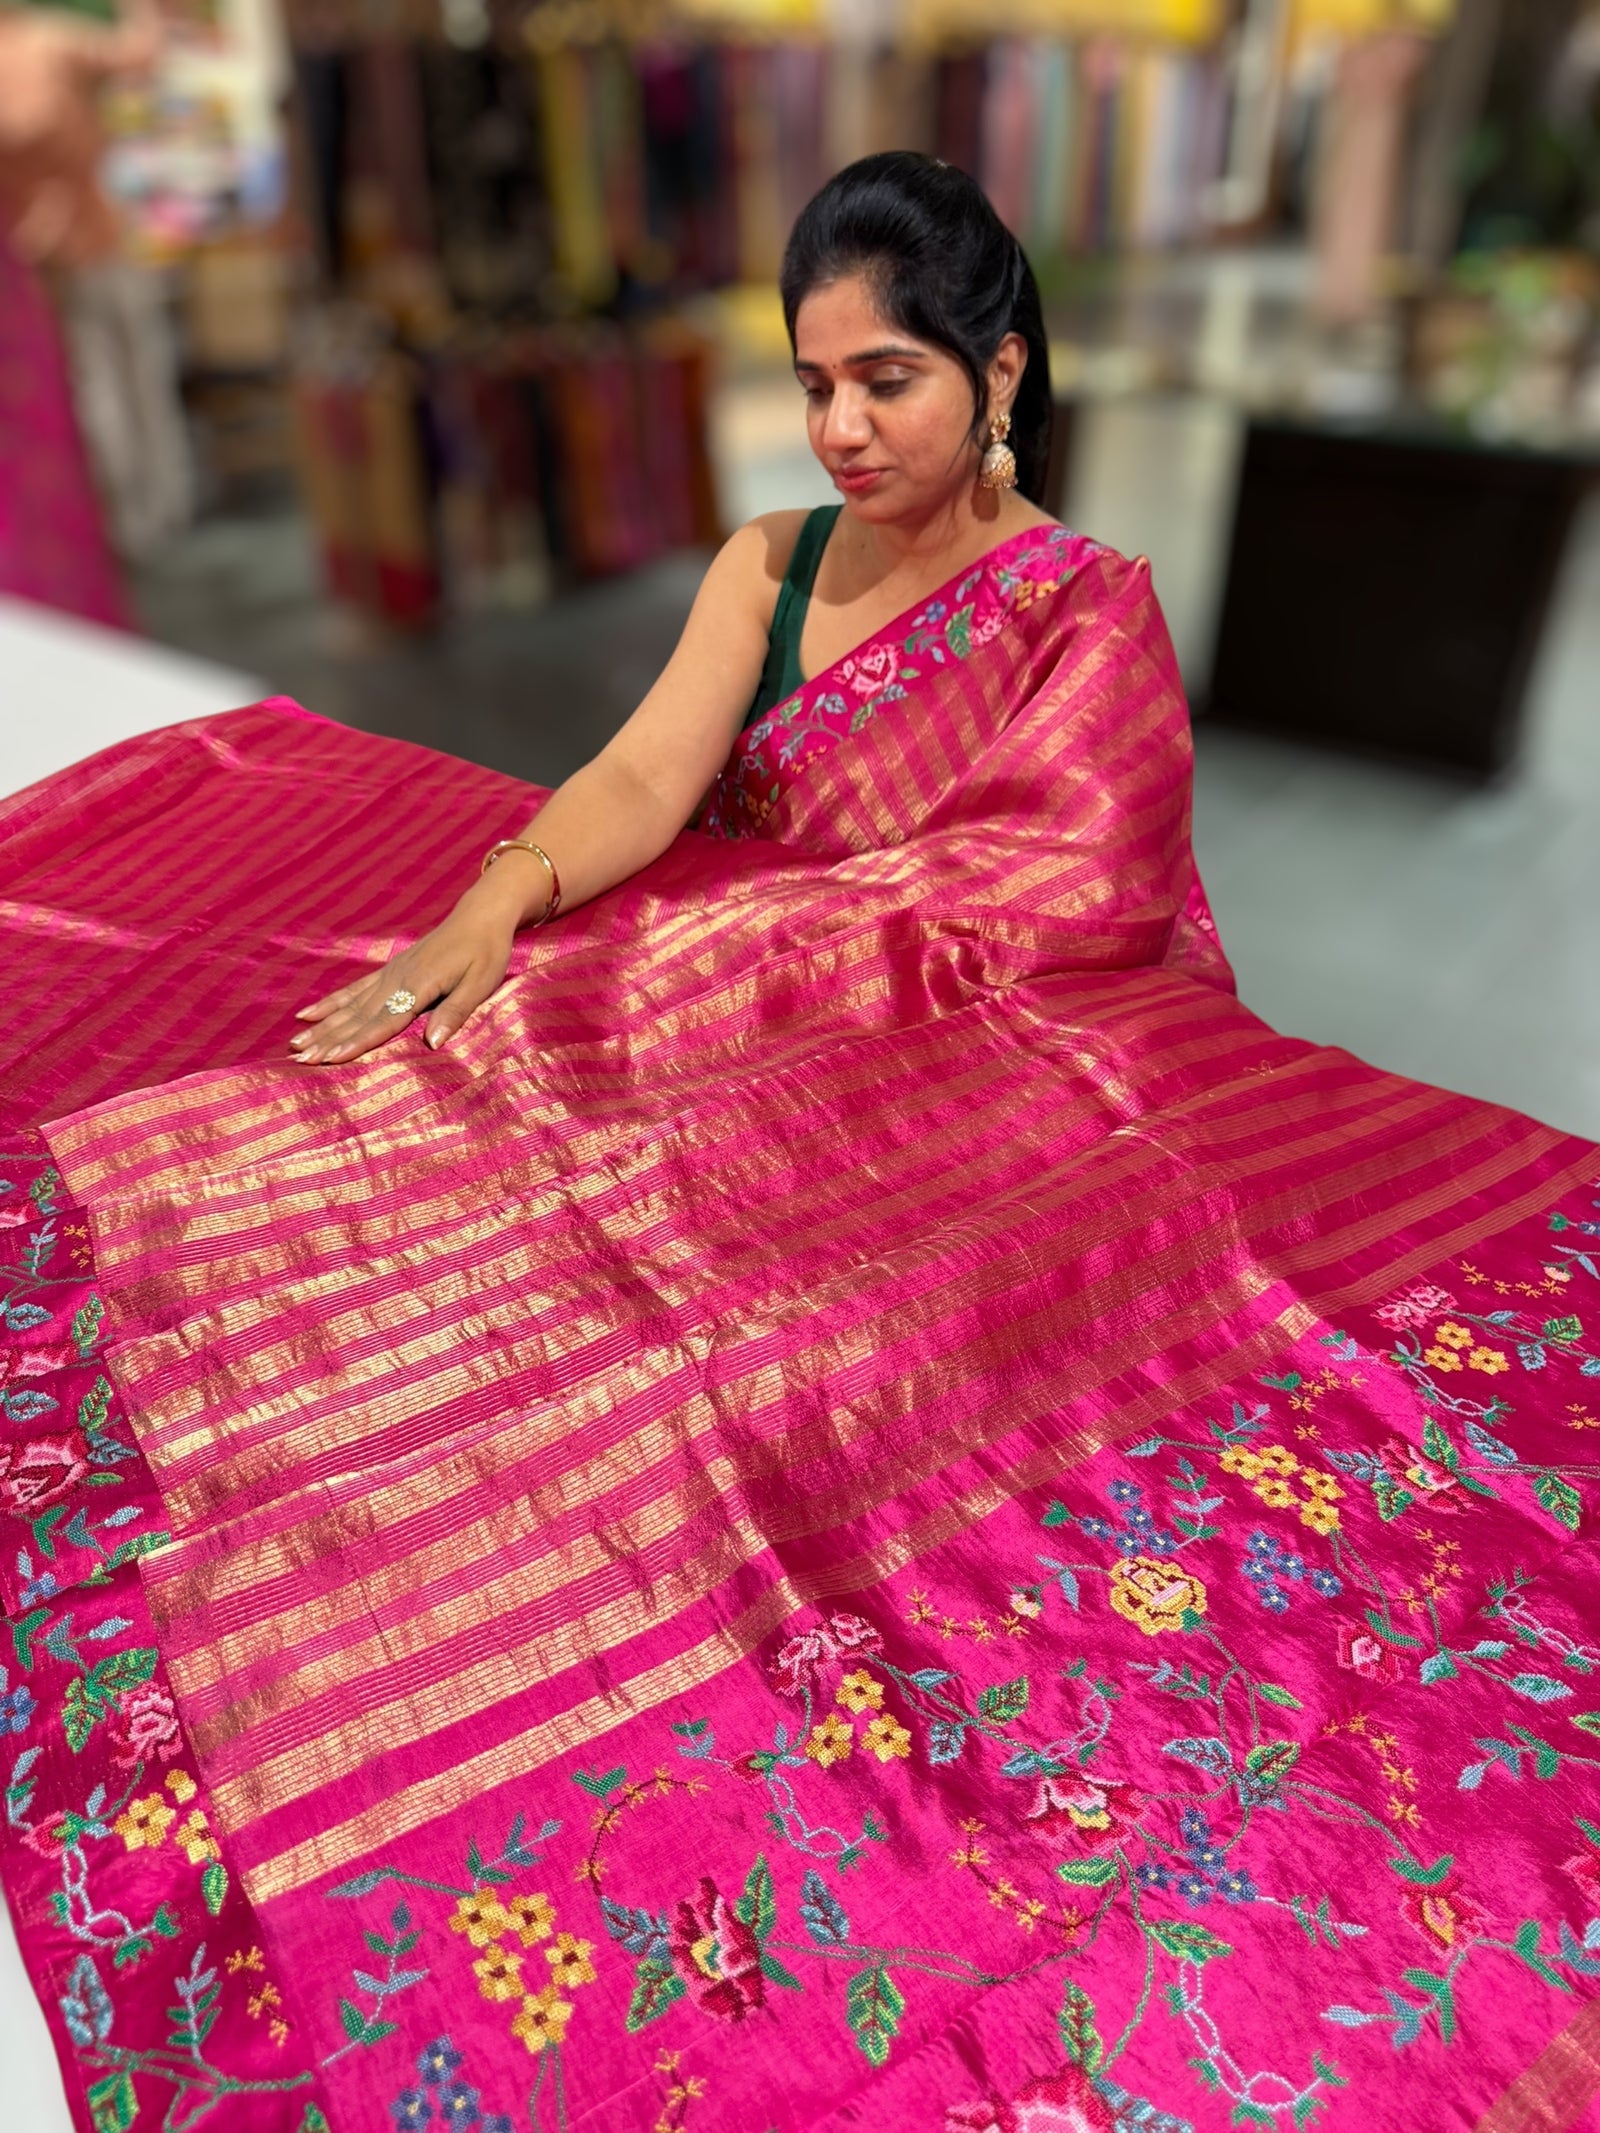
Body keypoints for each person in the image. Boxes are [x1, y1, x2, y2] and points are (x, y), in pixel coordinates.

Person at [1, 155, 1597, 2133]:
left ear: (996, 367)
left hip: (966, 1042)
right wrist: (495, 904)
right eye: (811, 379)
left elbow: (1075, 878)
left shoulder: (1076, 609)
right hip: (746, 1056)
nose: (840, 426)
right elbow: (647, 774)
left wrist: (796, 949)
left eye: (888, 379)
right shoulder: (763, 564)